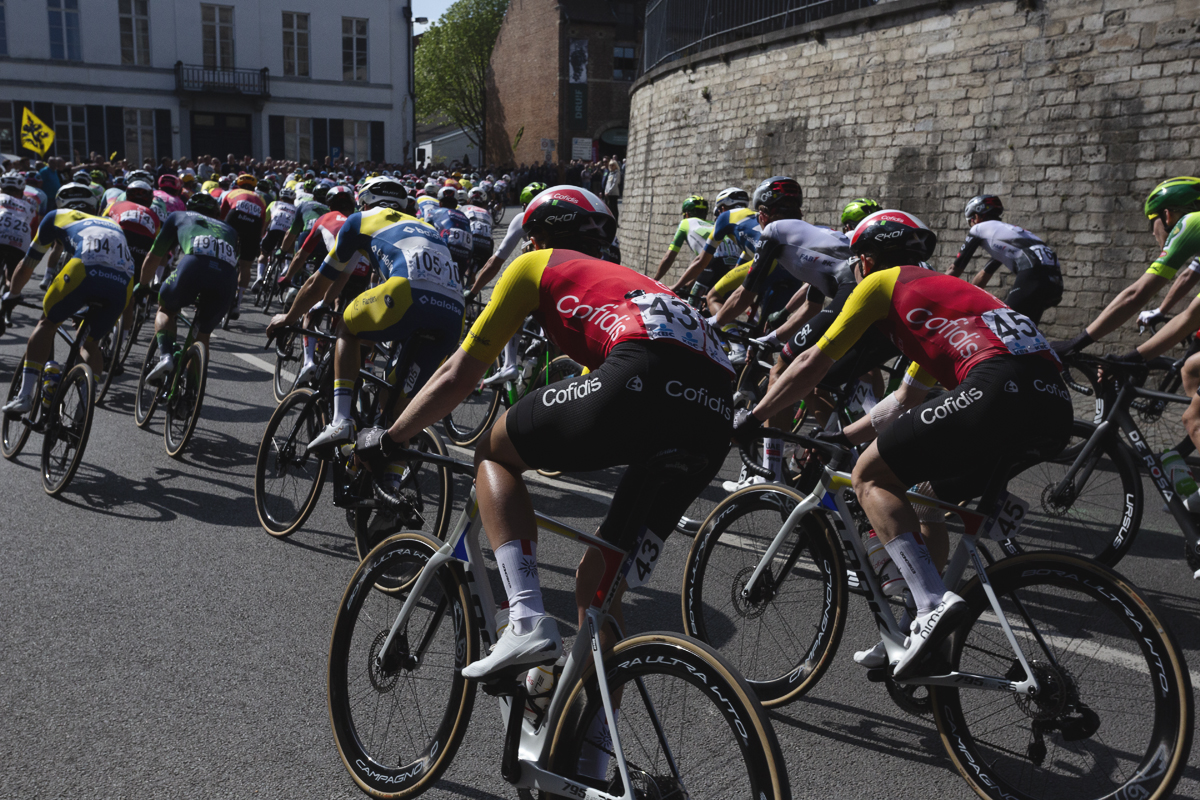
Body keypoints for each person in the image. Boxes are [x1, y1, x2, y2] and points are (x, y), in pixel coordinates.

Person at [354, 185, 733, 696]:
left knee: (494, 451)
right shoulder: (633, 282)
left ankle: (526, 620)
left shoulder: (535, 265)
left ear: (534, 238)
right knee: (598, 587)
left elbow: (458, 374)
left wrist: (391, 437)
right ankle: (592, 735)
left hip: (643, 376)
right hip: (714, 416)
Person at [735, 209, 1071, 678]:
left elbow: (812, 362)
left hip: (998, 385)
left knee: (869, 476)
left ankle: (931, 603)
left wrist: (753, 417)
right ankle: (922, 630)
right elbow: (903, 400)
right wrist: (839, 437)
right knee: (926, 497)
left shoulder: (878, 283)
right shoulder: (941, 298)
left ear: (866, 261)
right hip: (1055, 406)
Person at [265, 177, 463, 470]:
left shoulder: (360, 219)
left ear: (365, 203)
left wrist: (289, 317)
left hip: (407, 296)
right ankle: (390, 483)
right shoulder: (426, 226)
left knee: (347, 328)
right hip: (453, 314)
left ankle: (341, 420)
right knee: (394, 410)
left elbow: (319, 282)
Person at [1, 184, 135, 413]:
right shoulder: (113, 224)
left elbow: (27, 265)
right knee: (91, 343)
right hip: (123, 283)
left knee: (47, 323)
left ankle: (25, 396)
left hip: (85, 271)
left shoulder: (56, 216)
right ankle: (84, 407)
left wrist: (12, 294)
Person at [1054, 177, 1200, 355]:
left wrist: (1076, 343)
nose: (1153, 233)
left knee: (1191, 367)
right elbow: (1189, 275)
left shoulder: (1189, 224)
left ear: (1167, 215)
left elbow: (1136, 295)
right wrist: (1161, 311)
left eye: (1151, 222)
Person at [139, 193, 241, 384]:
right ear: (216, 214)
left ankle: (166, 356)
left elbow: (153, 257)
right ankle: (191, 391)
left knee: (166, 309)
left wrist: (143, 285)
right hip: (226, 278)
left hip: (194, 266)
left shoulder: (178, 216)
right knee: (202, 334)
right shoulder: (231, 230)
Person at [947, 195, 1063, 324]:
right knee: (1026, 330)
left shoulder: (978, 228)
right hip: (1055, 281)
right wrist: (970, 299)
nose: (971, 225)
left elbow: (955, 269)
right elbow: (985, 274)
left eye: (970, 221)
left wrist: (933, 289)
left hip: (1033, 275)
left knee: (1003, 326)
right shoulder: (1009, 232)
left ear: (975, 217)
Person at [218, 173, 268, 319]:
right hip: (254, 224)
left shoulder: (231, 193)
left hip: (235, 217)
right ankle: (238, 303)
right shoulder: (261, 199)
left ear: (238, 185)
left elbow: (221, 216)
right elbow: (262, 226)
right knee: (246, 266)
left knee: (222, 254)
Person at [603, 160, 622, 224]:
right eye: (610, 165)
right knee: (609, 208)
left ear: (615, 166)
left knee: (614, 208)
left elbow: (615, 184)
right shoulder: (610, 173)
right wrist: (605, 191)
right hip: (608, 194)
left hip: (613, 193)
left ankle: (615, 221)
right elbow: (607, 183)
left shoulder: (617, 173)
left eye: (612, 165)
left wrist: (609, 191)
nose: (611, 166)